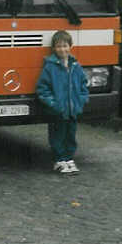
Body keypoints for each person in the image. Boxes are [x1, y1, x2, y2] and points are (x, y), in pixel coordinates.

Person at [36, 30, 89, 174]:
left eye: (65, 46)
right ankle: (59, 161)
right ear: (54, 48)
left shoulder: (76, 66)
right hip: (57, 111)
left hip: (73, 111)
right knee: (57, 137)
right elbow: (42, 89)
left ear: (70, 46)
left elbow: (84, 85)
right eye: (59, 46)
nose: (62, 49)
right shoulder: (50, 67)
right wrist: (53, 104)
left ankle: (69, 159)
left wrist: (82, 100)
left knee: (70, 136)